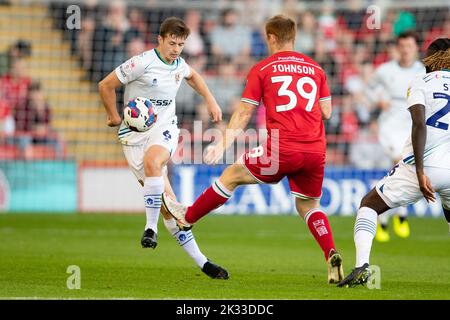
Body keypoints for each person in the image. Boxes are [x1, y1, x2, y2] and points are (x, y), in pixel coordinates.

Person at [163, 15, 344, 284]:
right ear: (293, 37)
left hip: (282, 147)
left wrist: (222, 143)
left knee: (231, 176)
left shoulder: (263, 68)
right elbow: (327, 112)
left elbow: (245, 111)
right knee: (308, 205)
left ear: (271, 38)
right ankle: (330, 251)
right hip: (315, 150)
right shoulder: (316, 68)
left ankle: (187, 217)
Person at [98, 17, 228, 279]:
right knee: (172, 208)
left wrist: (211, 100)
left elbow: (194, 77)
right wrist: (113, 116)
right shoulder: (141, 62)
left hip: (164, 128)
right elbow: (105, 85)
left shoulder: (179, 64)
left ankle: (150, 228)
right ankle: (203, 262)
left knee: (154, 161)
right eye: (172, 43)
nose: (176, 49)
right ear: (160, 39)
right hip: (133, 135)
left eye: (181, 44)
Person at [338, 38, 450, 288]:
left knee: (368, 205)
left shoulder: (420, 82)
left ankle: (362, 267)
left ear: (430, 60)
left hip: (425, 165)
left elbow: (420, 124)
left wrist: (420, 172)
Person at [366, 31, 426, 242]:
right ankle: (401, 215)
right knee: (398, 163)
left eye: (409, 46)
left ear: (415, 48)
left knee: (398, 170)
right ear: (397, 48)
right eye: (402, 46)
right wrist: (378, 100)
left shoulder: (423, 70)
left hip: (412, 124)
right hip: (390, 125)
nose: (405, 50)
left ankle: (382, 220)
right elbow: (369, 89)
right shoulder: (385, 70)